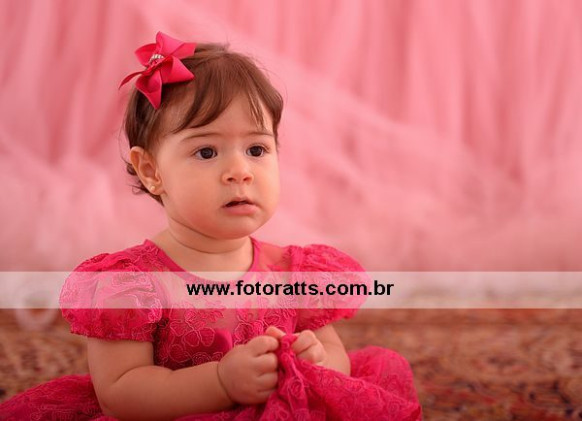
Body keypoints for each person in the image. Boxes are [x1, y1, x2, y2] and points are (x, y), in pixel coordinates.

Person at [0, 32, 421, 420]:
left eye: (256, 149)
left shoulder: (292, 271)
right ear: (151, 171)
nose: (240, 171)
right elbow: (119, 392)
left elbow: (335, 355)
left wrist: (318, 362)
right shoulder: (131, 284)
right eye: (206, 152)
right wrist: (220, 382)